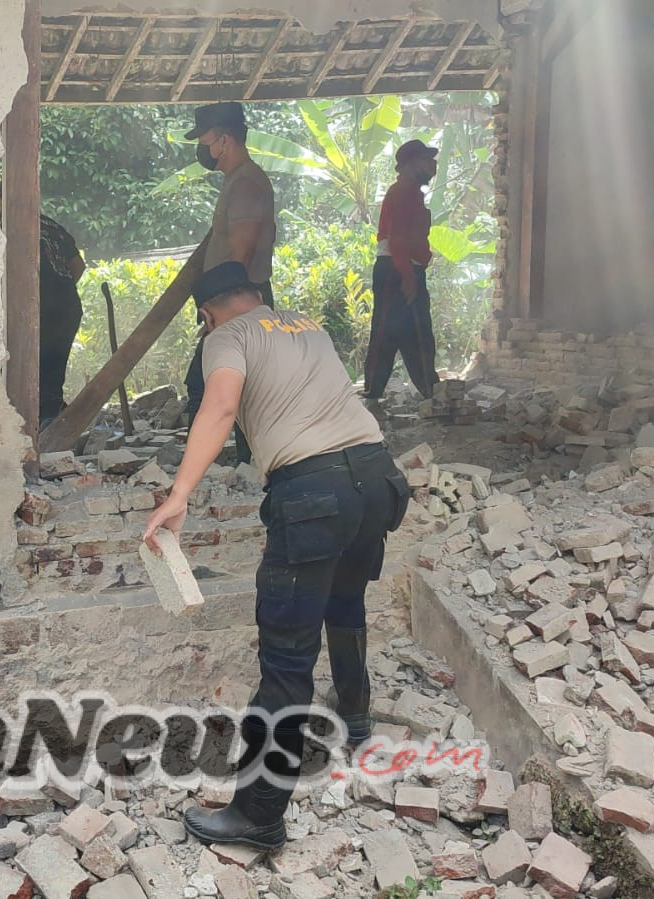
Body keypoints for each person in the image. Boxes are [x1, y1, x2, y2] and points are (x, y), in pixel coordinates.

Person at [142, 262, 409, 851]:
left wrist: (180, 495)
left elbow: (220, 407)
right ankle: (355, 714)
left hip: (313, 492)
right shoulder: (307, 324)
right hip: (378, 478)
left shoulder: (225, 337)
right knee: (346, 597)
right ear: (258, 294)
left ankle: (258, 815)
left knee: (287, 659)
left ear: (207, 314)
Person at [181, 101, 276, 465]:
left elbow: (241, 252)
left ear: (225, 140)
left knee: (203, 382)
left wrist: (224, 313)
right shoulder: (237, 180)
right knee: (240, 382)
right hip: (235, 300)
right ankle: (245, 463)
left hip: (237, 301)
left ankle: (206, 466)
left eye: (204, 140)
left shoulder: (246, 184)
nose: (201, 148)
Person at [0, 183, 87, 426]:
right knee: (54, 365)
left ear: (2, 200)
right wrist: (60, 289)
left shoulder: (6, 226)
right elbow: (79, 266)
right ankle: (52, 416)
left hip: (36, 307)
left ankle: (34, 421)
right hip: (68, 306)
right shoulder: (51, 225)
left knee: (26, 365)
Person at [364, 139, 441, 401]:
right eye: (427, 160)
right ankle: (429, 390)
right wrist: (407, 277)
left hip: (400, 268)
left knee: (398, 330)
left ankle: (380, 390)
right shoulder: (403, 193)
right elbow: (397, 239)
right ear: (411, 164)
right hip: (397, 270)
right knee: (407, 331)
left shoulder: (411, 193)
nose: (433, 165)